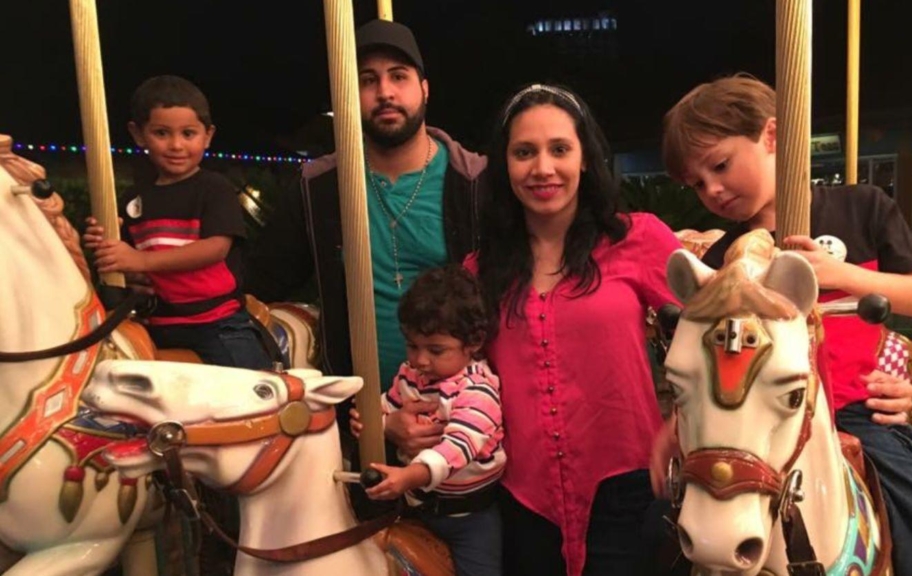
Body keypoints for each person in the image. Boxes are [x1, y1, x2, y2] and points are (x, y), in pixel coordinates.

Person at [658, 74, 912, 576]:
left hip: (853, 410)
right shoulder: (724, 259)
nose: (713, 190)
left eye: (720, 165)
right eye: (697, 183)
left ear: (771, 137)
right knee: (663, 535)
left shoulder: (862, 207)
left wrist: (841, 276)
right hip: (757, 424)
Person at [382, 83, 683, 576]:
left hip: (628, 487)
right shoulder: (478, 272)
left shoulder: (639, 239)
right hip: (521, 500)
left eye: (559, 149)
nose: (543, 168)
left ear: (585, 158)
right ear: (505, 165)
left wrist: (685, 418)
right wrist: (395, 422)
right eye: (524, 152)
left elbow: (722, 325)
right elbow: (442, 372)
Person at [244, 19, 487, 393]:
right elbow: (260, 278)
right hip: (358, 410)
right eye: (368, 80)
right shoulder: (318, 187)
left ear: (424, 89)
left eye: (398, 76)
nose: (385, 92)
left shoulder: (472, 183)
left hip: (463, 412)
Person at [84, 75, 271, 370]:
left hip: (214, 320)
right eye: (161, 133)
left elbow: (215, 248)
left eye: (188, 134)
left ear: (207, 136)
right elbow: (122, 258)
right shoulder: (133, 199)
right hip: (156, 322)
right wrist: (104, 244)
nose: (176, 145)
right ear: (138, 134)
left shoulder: (213, 188)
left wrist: (140, 260)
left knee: (255, 383)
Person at [353, 265, 504, 576]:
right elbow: (385, 407)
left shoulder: (478, 390)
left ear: (473, 342)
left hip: (469, 519)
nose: (420, 360)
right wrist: (373, 422)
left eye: (436, 350)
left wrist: (410, 475)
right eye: (413, 346)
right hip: (415, 507)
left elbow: (458, 447)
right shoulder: (411, 375)